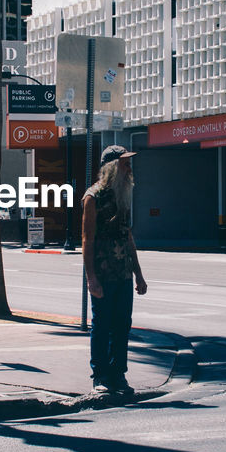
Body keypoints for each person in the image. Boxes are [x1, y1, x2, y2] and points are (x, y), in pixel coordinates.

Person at [82, 144, 147, 394]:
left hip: (122, 273)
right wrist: (91, 278)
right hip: (102, 273)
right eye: (124, 163)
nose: (129, 168)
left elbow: (127, 236)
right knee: (102, 325)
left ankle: (118, 374)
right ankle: (100, 376)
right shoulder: (93, 197)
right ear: (111, 167)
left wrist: (138, 274)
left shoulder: (123, 195)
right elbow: (87, 238)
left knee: (122, 325)